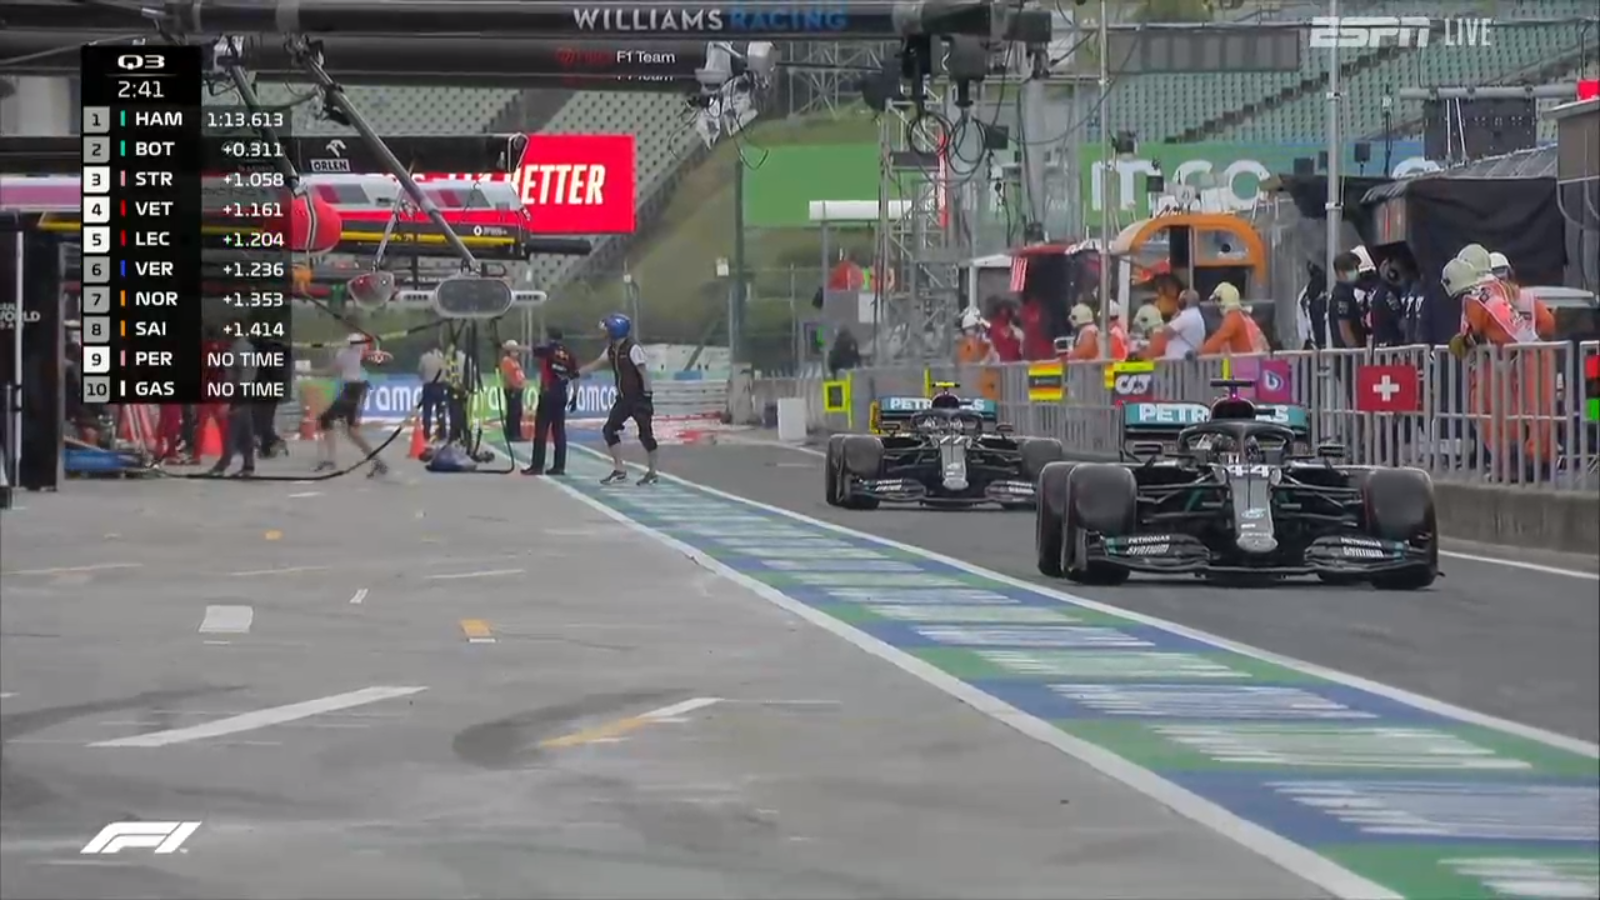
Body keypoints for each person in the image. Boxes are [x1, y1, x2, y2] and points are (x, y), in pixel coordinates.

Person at [576, 313, 658, 485]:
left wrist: (647, 396)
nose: (604, 333)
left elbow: (643, 372)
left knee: (646, 435)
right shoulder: (612, 349)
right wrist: (576, 373)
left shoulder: (633, 348)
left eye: (607, 329)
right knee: (609, 430)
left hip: (639, 398)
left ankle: (652, 471)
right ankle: (619, 469)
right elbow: (597, 364)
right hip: (623, 399)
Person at [315, 332, 391, 478]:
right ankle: (377, 461)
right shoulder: (344, 352)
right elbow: (330, 371)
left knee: (337, 424)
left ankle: (332, 460)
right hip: (351, 389)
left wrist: (374, 343)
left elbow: (368, 346)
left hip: (356, 389)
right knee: (347, 430)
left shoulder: (356, 349)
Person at [524, 328, 579, 476]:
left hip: (548, 393)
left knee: (541, 430)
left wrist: (505, 346)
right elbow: (575, 376)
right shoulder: (569, 354)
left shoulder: (548, 350)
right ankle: (559, 466)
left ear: (550, 338)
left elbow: (527, 349)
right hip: (562, 394)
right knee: (559, 431)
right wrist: (575, 396)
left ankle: (537, 466)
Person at [208, 328, 258, 478]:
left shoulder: (237, 349)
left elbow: (238, 376)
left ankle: (224, 463)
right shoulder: (248, 347)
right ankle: (248, 465)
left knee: (233, 430)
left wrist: (228, 400)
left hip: (237, 393)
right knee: (245, 430)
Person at [1200, 283, 1269, 356]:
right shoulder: (1243, 315)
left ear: (1221, 300)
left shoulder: (1232, 318)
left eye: (1216, 301)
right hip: (1252, 362)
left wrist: (1201, 352)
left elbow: (1220, 338)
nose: (1216, 305)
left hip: (1245, 363)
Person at [1159, 288, 1208, 360]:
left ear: (1183, 301)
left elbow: (1166, 332)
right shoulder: (1197, 315)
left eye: (1180, 299)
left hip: (1179, 360)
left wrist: (1174, 317)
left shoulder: (1186, 317)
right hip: (1186, 359)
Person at [418, 344, 447, 442]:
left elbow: (420, 372)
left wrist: (425, 378)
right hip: (440, 386)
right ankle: (442, 432)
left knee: (427, 411)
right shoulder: (443, 358)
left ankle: (426, 433)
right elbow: (447, 372)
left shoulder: (424, 358)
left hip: (428, 386)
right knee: (441, 411)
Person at [499, 340, 527, 442]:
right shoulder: (507, 361)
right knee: (513, 412)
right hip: (512, 389)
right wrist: (514, 386)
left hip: (517, 389)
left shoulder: (515, 361)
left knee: (518, 412)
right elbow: (507, 375)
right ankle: (512, 434)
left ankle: (517, 433)